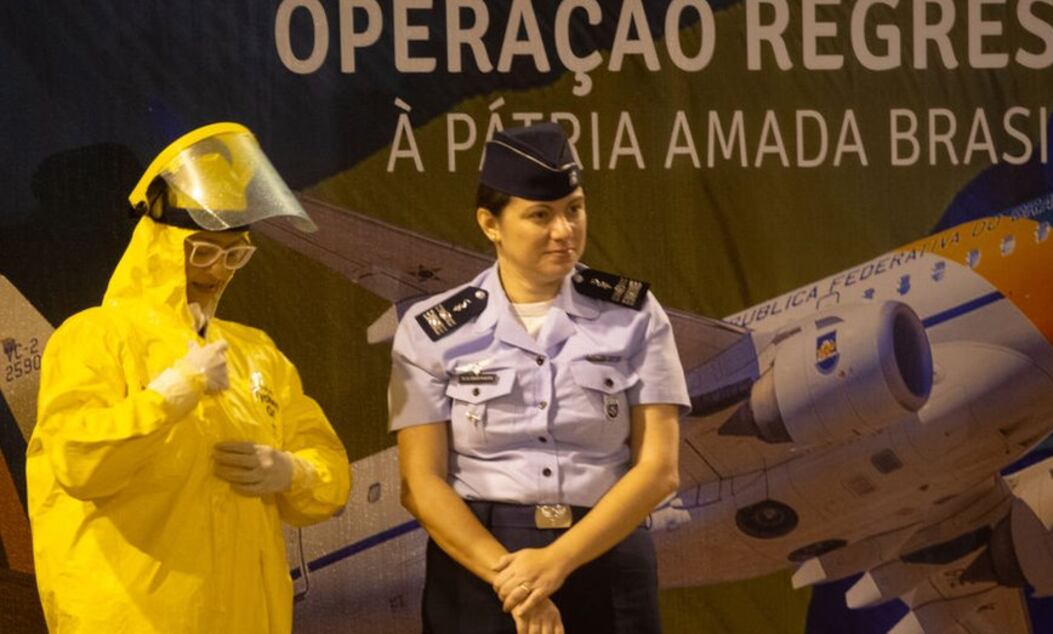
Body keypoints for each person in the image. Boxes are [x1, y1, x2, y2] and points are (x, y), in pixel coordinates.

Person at [25, 123, 351, 633]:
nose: (217, 271)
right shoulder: (94, 338)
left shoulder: (255, 353)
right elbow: (76, 462)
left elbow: (328, 467)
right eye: (201, 250)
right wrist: (168, 395)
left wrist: (292, 472)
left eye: (233, 253)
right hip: (136, 620)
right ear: (158, 242)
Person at [389, 123, 690, 634]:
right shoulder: (431, 331)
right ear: (491, 223)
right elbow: (420, 484)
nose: (564, 231)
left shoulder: (636, 314)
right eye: (539, 215)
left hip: (605, 551)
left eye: (574, 209)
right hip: (481, 566)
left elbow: (659, 469)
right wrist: (517, 584)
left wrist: (555, 563)